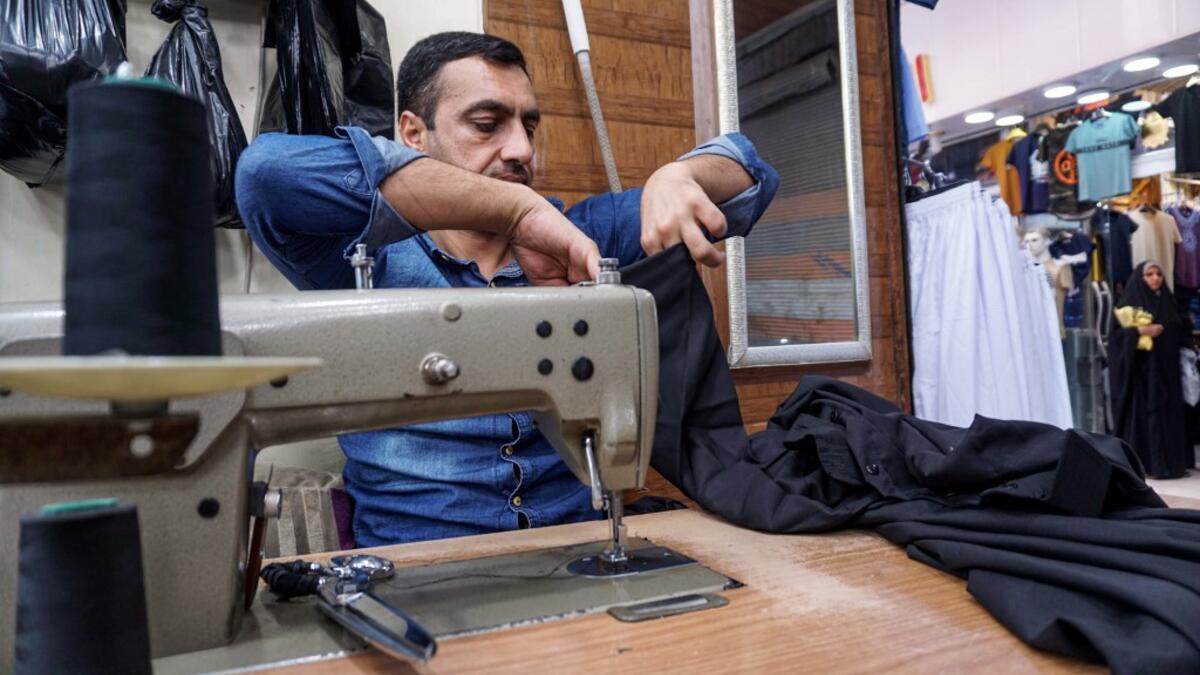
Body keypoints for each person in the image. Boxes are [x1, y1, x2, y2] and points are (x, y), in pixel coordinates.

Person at [235, 32, 779, 546]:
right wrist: (519, 211)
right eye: (487, 123)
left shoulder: (585, 237)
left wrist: (681, 177)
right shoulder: (359, 258)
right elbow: (264, 176)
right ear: (412, 134)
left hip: (576, 545)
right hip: (422, 563)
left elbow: (751, 176)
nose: (520, 149)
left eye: (529, 126)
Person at [1108, 261, 1192, 479]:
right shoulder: (1127, 304)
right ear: (1140, 278)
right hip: (1140, 377)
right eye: (1149, 274)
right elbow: (1116, 340)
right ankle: (1144, 464)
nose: (1155, 278)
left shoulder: (1168, 302)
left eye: (1158, 274)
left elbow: (1182, 330)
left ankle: (1170, 464)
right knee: (1143, 419)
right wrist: (1138, 332)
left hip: (1167, 374)